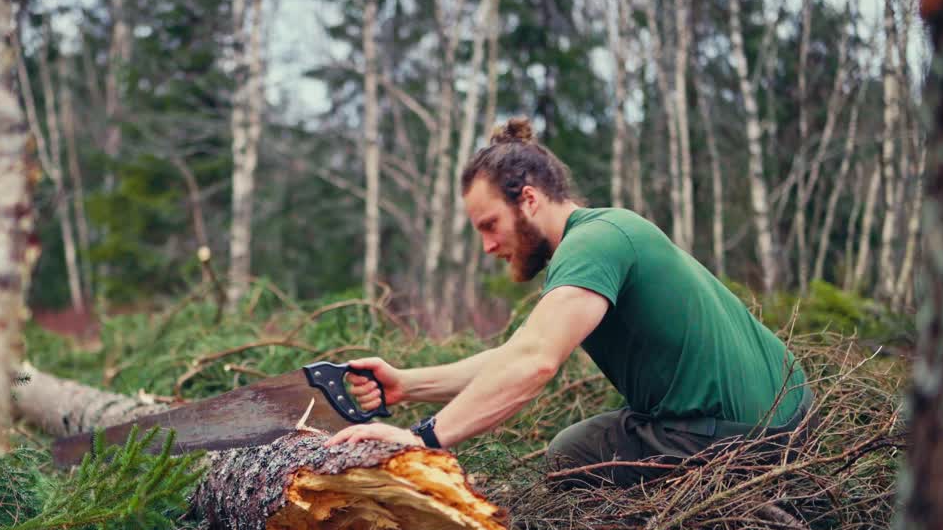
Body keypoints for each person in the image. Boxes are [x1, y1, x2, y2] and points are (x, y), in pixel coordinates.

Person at [325, 117, 812, 487]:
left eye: (490, 225)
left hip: (745, 437)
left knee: (570, 457)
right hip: (789, 409)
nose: (488, 247)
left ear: (529, 200)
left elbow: (534, 364)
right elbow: (517, 355)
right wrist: (406, 386)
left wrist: (420, 440)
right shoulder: (602, 231)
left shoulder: (590, 246)